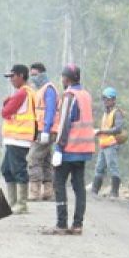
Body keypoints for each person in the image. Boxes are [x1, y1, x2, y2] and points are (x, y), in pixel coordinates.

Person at [45, 64, 95, 234]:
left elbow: (65, 123)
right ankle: (78, 225)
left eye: (63, 77)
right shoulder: (86, 95)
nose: (62, 79)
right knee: (79, 187)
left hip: (68, 149)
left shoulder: (69, 95)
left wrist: (58, 147)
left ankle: (61, 224)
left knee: (59, 184)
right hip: (84, 149)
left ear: (67, 78)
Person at [0, 64, 37, 213]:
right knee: (7, 169)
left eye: (12, 76)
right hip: (14, 137)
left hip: (19, 137)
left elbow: (5, 112)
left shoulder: (22, 93)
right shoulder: (26, 92)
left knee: (18, 169)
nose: (11, 80)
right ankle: (13, 202)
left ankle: (21, 204)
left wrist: (6, 103)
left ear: (21, 75)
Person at [27, 62, 57, 202]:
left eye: (35, 74)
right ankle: (48, 192)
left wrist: (45, 130)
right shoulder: (41, 89)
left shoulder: (48, 89)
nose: (33, 78)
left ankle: (35, 191)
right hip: (43, 129)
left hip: (46, 130)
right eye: (31, 75)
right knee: (45, 160)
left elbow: (50, 111)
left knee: (33, 158)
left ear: (42, 74)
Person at [92, 87, 126, 197]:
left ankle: (114, 192)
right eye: (104, 99)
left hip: (111, 145)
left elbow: (118, 129)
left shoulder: (117, 113)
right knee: (99, 168)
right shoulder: (105, 113)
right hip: (103, 144)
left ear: (113, 100)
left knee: (113, 167)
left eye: (108, 99)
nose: (105, 101)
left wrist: (101, 131)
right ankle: (94, 191)